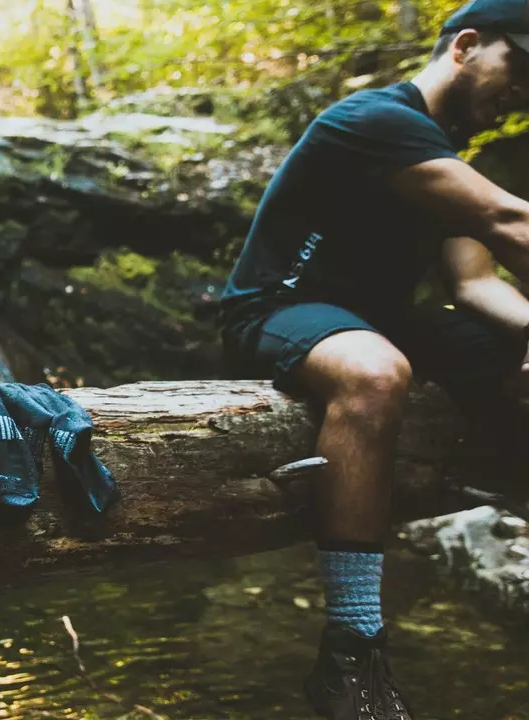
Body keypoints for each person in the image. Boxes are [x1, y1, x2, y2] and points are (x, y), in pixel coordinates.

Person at [215, 0, 529, 716]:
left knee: (495, 351)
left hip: (386, 320)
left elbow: (476, 284)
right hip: (278, 309)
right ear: (468, 44)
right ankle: (351, 650)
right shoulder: (373, 122)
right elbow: (511, 223)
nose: (526, 91)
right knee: (375, 372)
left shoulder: (446, 153)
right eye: (522, 65)